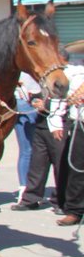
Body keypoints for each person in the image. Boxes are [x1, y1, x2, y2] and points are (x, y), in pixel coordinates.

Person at [12, 52, 66, 212]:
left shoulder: (67, 75)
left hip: (58, 121)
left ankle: (61, 199)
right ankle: (31, 197)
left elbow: (64, 98)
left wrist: (46, 106)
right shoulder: (44, 73)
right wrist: (36, 101)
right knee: (37, 159)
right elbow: (37, 93)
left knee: (59, 160)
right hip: (41, 119)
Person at [53, 41, 84, 226]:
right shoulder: (73, 71)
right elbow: (59, 97)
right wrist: (55, 123)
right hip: (79, 122)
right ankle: (74, 209)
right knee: (77, 168)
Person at [12, 72, 40, 200]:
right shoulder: (23, 70)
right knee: (27, 150)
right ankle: (24, 187)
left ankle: (29, 187)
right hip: (25, 106)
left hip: (31, 105)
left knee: (32, 150)